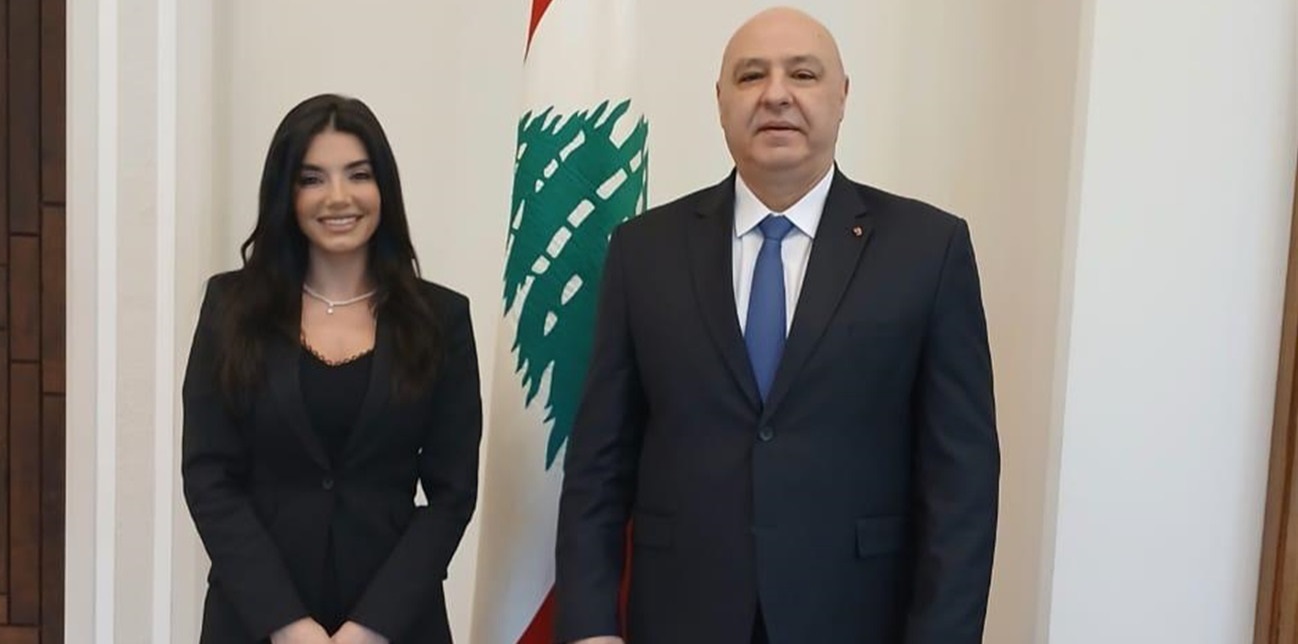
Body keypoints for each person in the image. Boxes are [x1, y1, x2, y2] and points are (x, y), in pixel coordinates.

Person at [554, 7, 999, 643]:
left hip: (856, 617)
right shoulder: (643, 251)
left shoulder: (928, 249)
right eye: (751, 75)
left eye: (803, 74)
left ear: (842, 96)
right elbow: (599, 462)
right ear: (720, 100)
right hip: (682, 616)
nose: (776, 95)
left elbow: (961, 481)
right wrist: (589, 626)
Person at [182, 94, 482, 644]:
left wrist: (371, 629)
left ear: (384, 188)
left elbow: (453, 493)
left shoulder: (441, 319)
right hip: (254, 620)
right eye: (312, 179)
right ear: (286, 194)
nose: (338, 197)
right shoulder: (230, 309)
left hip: (396, 623)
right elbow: (209, 476)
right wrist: (286, 625)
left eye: (358, 175)